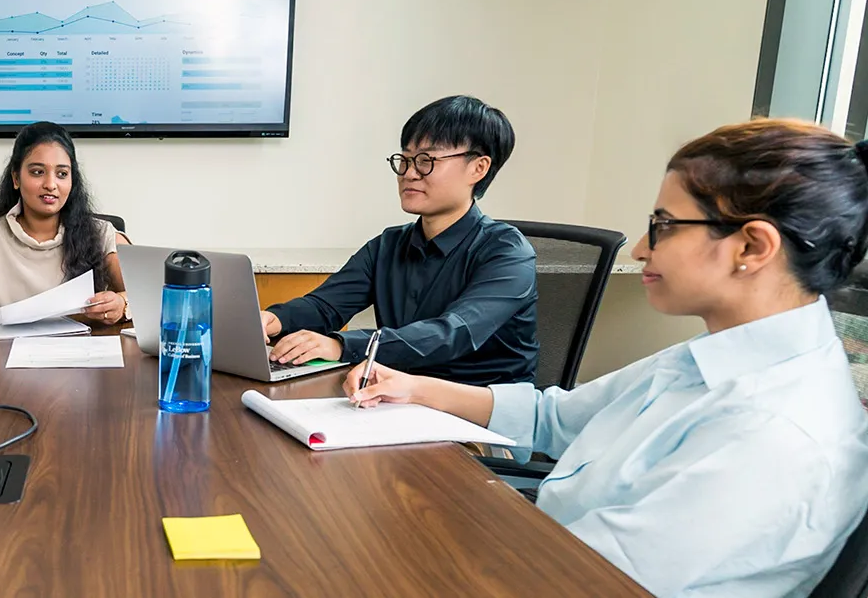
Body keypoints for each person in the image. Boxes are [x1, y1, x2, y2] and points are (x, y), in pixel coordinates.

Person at [348, 119, 868, 596]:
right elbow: (552, 416)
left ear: (752, 248)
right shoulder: (717, 357)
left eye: (663, 225)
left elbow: (584, 583)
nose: (641, 247)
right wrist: (414, 388)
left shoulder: (770, 433)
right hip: (544, 549)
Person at [261, 95, 537, 386]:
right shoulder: (388, 245)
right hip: (398, 396)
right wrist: (274, 319)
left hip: (478, 412)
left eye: (426, 161)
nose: (408, 173)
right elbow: (325, 306)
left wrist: (343, 346)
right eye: (404, 160)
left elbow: (453, 333)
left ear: (478, 168)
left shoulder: (508, 253)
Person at [0, 121, 128, 325]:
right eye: (37, 172)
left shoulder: (101, 234)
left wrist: (122, 303)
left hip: (83, 352)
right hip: (4, 352)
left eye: (62, 174)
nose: (50, 184)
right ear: (16, 178)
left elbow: (150, 295)